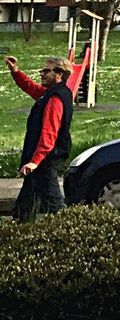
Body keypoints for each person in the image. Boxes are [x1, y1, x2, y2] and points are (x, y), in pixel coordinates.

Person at [5, 54, 74, 222]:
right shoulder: (51, 93)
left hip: (46, 161)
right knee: (25, 204)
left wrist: (35, 161)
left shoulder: (55, 99)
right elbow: (32, 88)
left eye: (46, 71)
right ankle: (19, 228)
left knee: (55, 205)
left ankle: (73, 235)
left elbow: (49, 133)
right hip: (42, 161)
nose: (41, 74)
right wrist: (16, 72)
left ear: (59, 74)